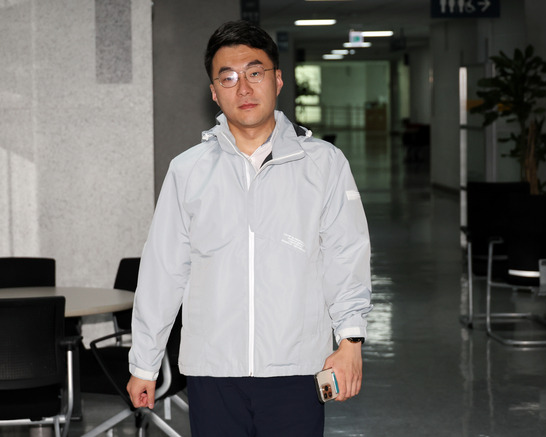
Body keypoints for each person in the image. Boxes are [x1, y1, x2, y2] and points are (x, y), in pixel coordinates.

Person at [127, 20, 372, 437]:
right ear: (213, 92)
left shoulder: (323, 164)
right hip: (213, 370)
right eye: (228, 77)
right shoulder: (188, 171)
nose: (243, 88)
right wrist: (144, 364)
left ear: (277, 80)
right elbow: (163, 272)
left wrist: (350, 342)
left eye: (254, 73)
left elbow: (346, 255)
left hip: (298, 369)